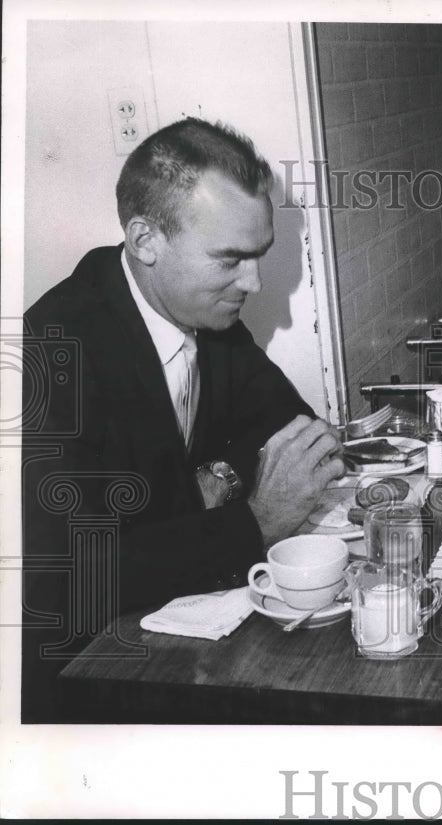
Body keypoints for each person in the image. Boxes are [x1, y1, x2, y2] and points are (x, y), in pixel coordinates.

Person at [21, 118, 347, 721]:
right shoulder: (48, 355)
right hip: (84, 682)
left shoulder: (208, 316)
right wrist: (255, 519)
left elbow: (295, 435)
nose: (252, 282)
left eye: (259, 256)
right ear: (146, 240)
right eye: (229, 259)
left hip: (182, 628)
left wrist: (213, 479)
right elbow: (66, 582)